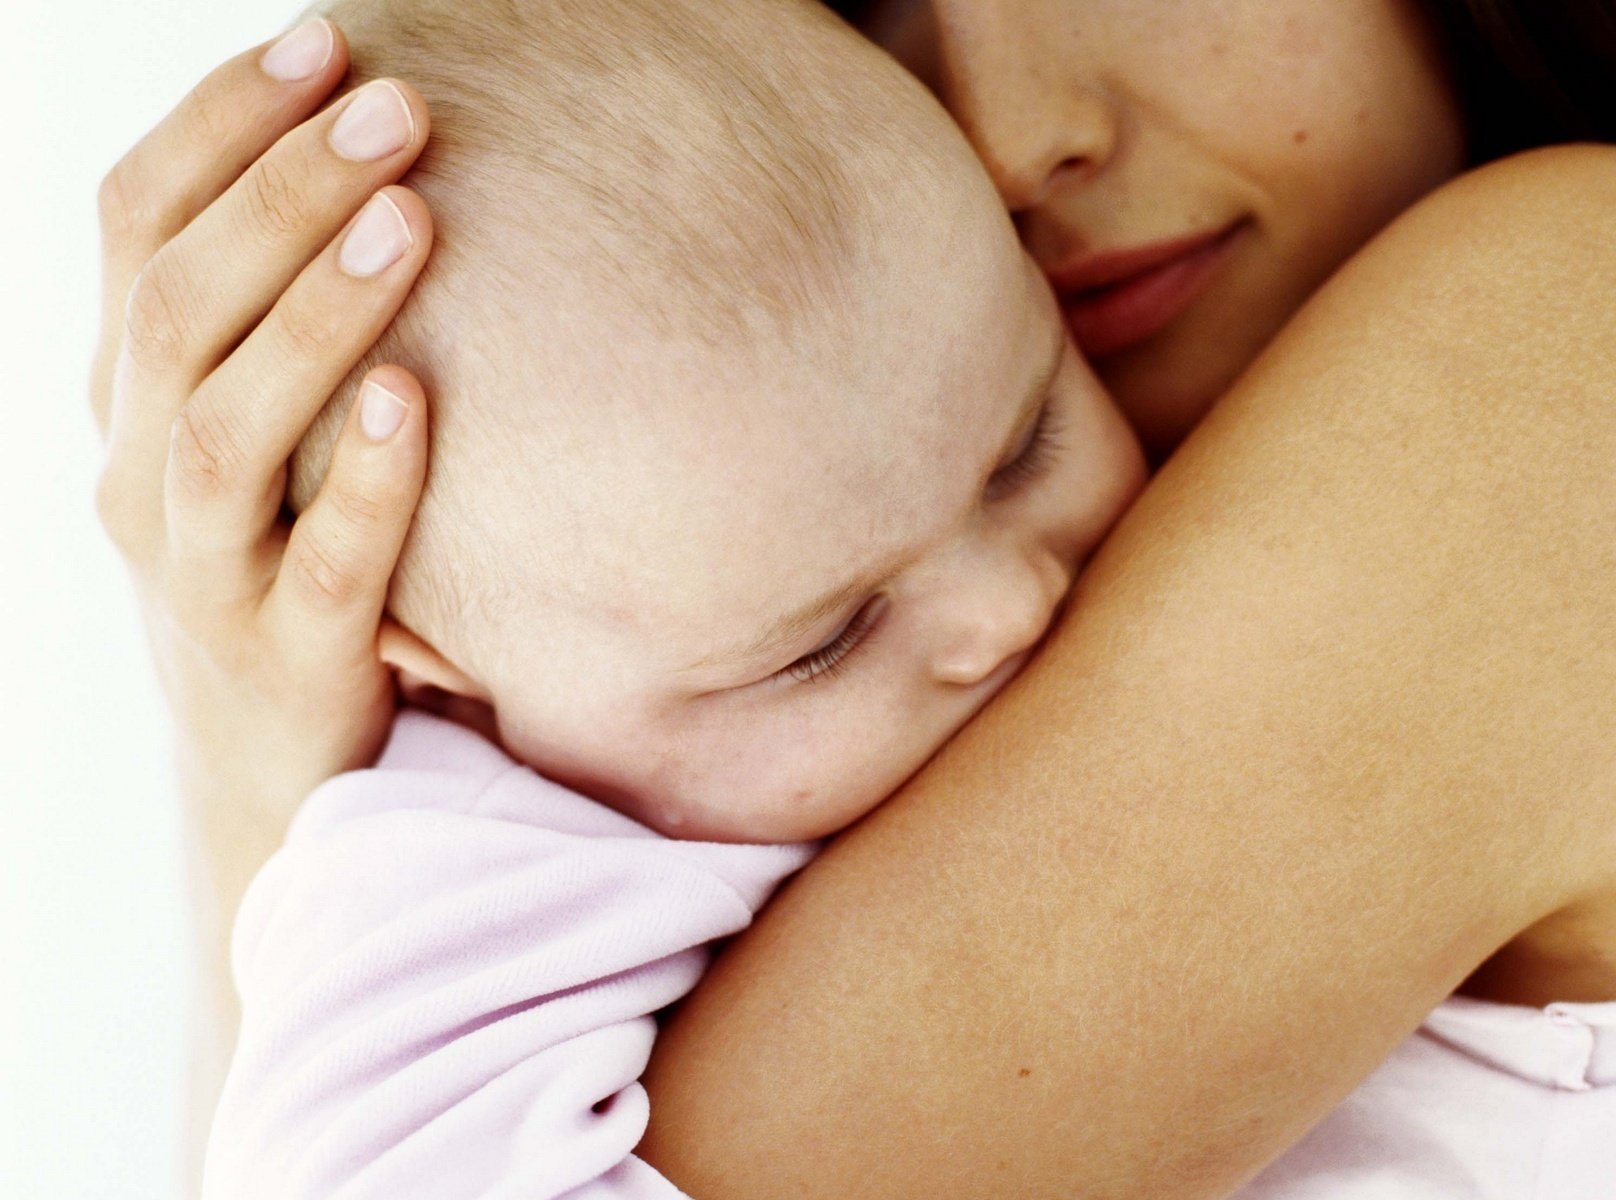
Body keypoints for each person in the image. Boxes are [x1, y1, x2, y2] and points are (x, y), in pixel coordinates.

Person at [91, 1, 1616, 1196]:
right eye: (871, 4)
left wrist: (283, 790)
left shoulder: (1613, 353)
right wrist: (278, 714)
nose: (1016, 128)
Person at [196, 0, 1143, 1192]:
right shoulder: (471, 886)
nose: (1009, 607)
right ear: (437, 666)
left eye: (1029, 443)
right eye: (825, 645)